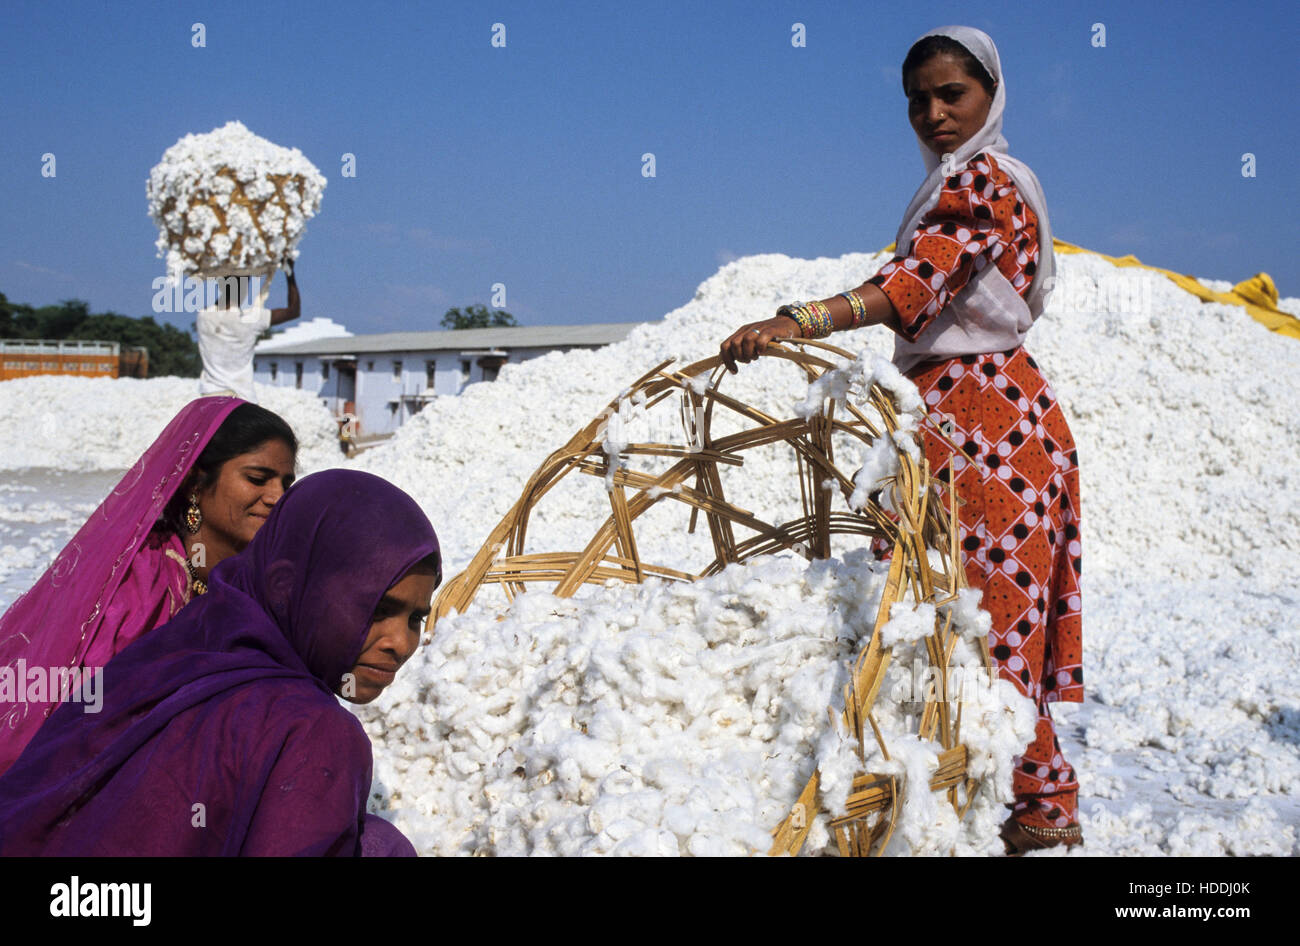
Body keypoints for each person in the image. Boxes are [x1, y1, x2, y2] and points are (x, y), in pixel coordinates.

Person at [720, 26, 1083, 854]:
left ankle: (1035, 802)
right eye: (918, 99)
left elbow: (917, 281)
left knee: (985, 620)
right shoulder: (951, 185)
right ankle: (1001, 792)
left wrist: (799, 321)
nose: (933, 113)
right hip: (945, 419)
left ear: (991, 96)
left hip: (993, 425)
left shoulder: (986, 183)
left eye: (952, 94)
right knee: (940, 614)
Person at [0, 469, 440, 857]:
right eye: (378, 609)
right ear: (288, 585)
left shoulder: (179, 642)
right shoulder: (313, 730)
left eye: (416, 618)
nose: (401, 643)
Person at [0, 397, 297, 775]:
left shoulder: (254, 576)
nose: (277, 497)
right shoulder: (145, 581)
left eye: (286, 483)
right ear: (195, 481)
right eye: (257, 479)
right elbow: (92, 713)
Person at [197, 259, 300, 401]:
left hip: (209, 396)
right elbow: (293, 311)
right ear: (243, 289)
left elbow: (218, 306)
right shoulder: (251, 319)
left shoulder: (203, 317)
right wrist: (290, 273)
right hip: (241, 398)